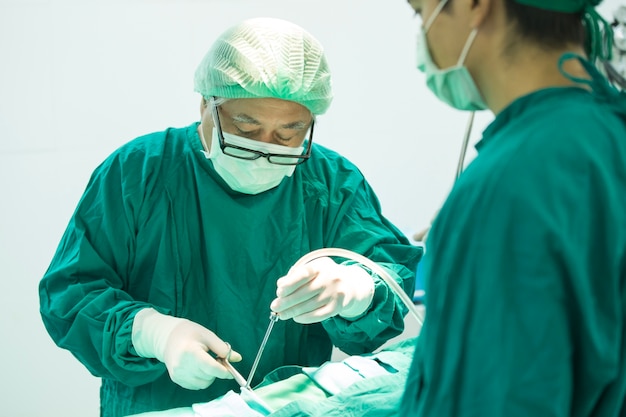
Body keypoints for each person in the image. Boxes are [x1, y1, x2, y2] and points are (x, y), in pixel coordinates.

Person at [38, 17, 422, 417]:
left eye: (288, 136)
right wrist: (153, 333)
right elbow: (72, 292)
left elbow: (389, 279)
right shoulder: (138, 172)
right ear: (206, 103)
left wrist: (358, 289)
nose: (264, 150)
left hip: (286, 408)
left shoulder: (331, 183)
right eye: (246, 129)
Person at [401, 0, 626, 415]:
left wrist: (483, 230)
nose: (422, 35)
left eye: (420, 12)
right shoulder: (608, 133)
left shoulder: (511, 183)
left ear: (475, 5)